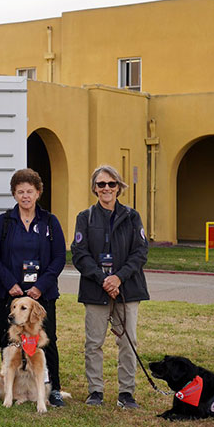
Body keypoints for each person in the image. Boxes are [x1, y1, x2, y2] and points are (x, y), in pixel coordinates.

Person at [70, 165, 149, 409]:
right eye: (101, 184)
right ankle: (96, 391)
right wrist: (103, 279)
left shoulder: (132, 216)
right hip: (96, 289)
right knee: (93, 343)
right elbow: (79, 253)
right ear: (94, 188)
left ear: (119, 187)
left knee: (128, 342)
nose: (106, 188)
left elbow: (140, 251)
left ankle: (126, 393)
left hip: (127, 289)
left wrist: (119, 278)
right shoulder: (85, 217)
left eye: (111, 184)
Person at [0, 168, 67, 406]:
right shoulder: (4, 222)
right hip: (7, 293)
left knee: (45, 342)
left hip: (40, 295)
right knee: (10, 343)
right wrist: (10, 283)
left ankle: (52, 389)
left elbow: (59, 257)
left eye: (29, 191)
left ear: (38, 193)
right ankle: (11, 388)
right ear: (14, 194)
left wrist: (40, 287)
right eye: (20, 191)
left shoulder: (50, 222)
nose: (25, 196)